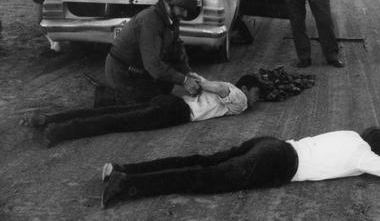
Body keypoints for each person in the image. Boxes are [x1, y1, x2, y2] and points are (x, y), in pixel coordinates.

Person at [100, 126, 380, 208]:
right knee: (204, 178)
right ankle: (127, 185)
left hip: (272, 143)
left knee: (202, 160)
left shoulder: (348, 135)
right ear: (379, 152)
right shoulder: (365, 157)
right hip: (278, 164)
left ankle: (124, 168)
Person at [22, 75, 262, 147]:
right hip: (177, 112)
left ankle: (48, 119)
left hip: (170, 102)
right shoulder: (238, 98)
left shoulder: (229, 89)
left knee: (115, 114)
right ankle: (57, 131)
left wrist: (197, 82)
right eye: (256, 94)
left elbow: (198, 78)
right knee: (115, 121)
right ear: (245, 88)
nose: (256, 100)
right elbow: (219, 88)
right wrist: (203, 85)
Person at [102, 0, 203, 107]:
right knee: (151, 108)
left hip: (139, 69)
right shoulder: (150, 22)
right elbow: (153, 65)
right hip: (123, 72)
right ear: (169, 4)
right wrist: (184, 81)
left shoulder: (171, 18)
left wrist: (188, 73)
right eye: (182, 9)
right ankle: (116, 95)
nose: (185, 14)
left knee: (165, 93)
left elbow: (176, 50)